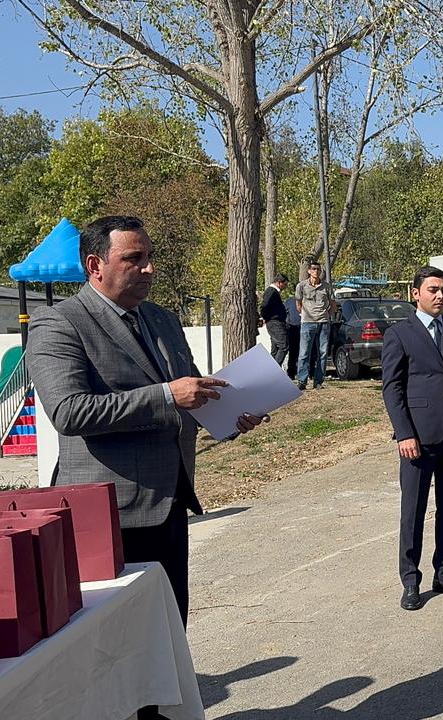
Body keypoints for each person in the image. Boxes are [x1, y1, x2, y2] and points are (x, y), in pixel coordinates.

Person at [27, 217, 265, 719]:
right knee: (113, 651)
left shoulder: (161, 319)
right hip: (107, 514)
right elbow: (69, 412)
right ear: (95, 265)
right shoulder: (60, 323)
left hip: (168, 502)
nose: (149, 268)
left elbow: (185, 399)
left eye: (149, 256)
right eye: (134, 259)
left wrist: (224, 415)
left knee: (164, 635)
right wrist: (165, 395)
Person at [381, 266, 443, 611]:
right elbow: (392, 388)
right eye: (432, 289)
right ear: (415, 293)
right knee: (413, 511)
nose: (439, 295)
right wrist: (404, 432)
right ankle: (410, 579)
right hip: (417, 437)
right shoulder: (400, 334)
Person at [295, 261, 337, 390]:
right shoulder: (301, 286)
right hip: (307, 323)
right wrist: (305, 314)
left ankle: (318, 381)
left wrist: (327, 315)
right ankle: (302, 380)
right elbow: (298, 304)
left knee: (323, 353)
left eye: (318, 269)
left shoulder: (327, 287)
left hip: (323, 323)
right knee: (304, 353)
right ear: (309, 271)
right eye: (313, 269)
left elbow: (333, 304)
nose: (316, 271)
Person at [260, 273, 290, 366]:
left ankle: (270, 369)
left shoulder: (272, 292)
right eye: (284, 284)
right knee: (284, 346)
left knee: (275, 349)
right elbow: (264, 306)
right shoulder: (271, 292)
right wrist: (265, 317)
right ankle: (275, 369)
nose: (285, 287)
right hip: (275, 323)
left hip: (274, 322)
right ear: (279, 282)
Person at [283, 297, 301, 379]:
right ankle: (291, 372)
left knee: (298, 352)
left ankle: (295, 372)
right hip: (292, 328)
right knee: (293, 351)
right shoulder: (290, 301)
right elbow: (283, 312)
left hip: (302, 326)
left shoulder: (307, 300)